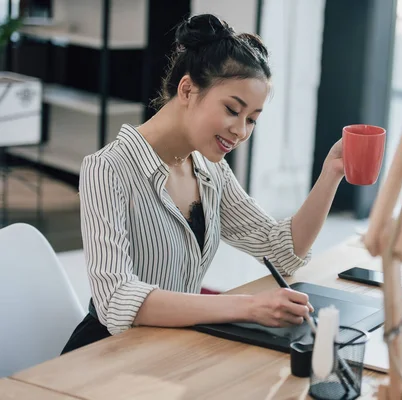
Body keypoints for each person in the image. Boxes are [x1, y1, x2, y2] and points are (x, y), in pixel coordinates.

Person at [61, 14, 345, 354]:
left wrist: (331, 173)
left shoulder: (210, 172)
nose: (241, 131)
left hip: (174, 346)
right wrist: (249, 306)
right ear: (187, 89)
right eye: (232, 109)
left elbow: (281, 251)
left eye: (252, 119)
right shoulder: (107, 169)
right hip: (110, 352)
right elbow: (116, 299)